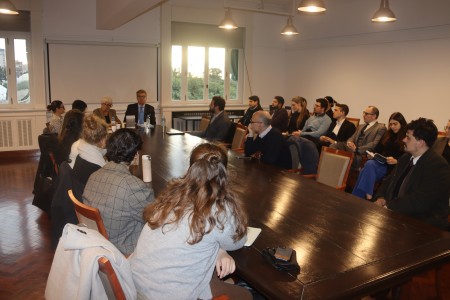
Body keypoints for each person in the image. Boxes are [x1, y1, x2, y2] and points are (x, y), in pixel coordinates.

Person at [129, 143, 249, 300]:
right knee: (245, 295)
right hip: (166, 295)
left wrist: (219, 250)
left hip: (133, 284)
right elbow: (237, 242)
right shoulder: (220, 208)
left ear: (192, 167)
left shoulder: (172, 192)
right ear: (224, 172)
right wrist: (222, 247)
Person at [83, 128, 155, 255]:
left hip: (94, 245)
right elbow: (156, 219)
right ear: (135, 156)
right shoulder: (133, 186)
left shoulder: (93, 176)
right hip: (121, 252)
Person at [374, 118, 450, 230]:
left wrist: (388, 206)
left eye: (408, 137)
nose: (404, 140)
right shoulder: (406, 157)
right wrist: (381, 197)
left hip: (422, 225)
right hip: (395, 214)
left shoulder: (438, 166)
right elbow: (389, 181)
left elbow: (420, 201)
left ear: (420, 143)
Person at [352, 112, 407, 200]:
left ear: (402, 123)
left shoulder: (406, 137)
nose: (392, 127)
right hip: (380, 163)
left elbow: (407, 157)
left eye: (395, 124)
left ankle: (361, 196)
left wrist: (396, 161)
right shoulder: (388, 134)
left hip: (392, 168)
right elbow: (377, 149)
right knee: (367, 167)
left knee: (367, 167)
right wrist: (371, 155)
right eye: (391, 124)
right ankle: (362, 196)